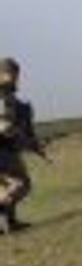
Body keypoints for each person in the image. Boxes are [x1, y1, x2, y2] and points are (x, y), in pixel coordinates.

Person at [0, 58, 37, 233]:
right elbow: (5, 126)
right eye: (12, 73)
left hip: (6, 147)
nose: (15, 78)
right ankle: (8, 219)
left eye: (16, 74)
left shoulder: (8, 94)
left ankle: (10, 223)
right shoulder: (3, 93)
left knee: (6, 186)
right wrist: (23, 136)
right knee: (22, 184)